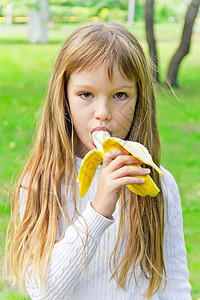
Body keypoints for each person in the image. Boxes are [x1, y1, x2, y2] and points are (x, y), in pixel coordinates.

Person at [5, 22, 191, 299]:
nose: (102, 112)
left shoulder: (158, 184)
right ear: (63, 98)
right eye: (86, 95)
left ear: (139, 100)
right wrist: (99, 208)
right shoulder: (40, 183)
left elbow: (173, 284)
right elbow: (45, 291)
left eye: (120, 95)